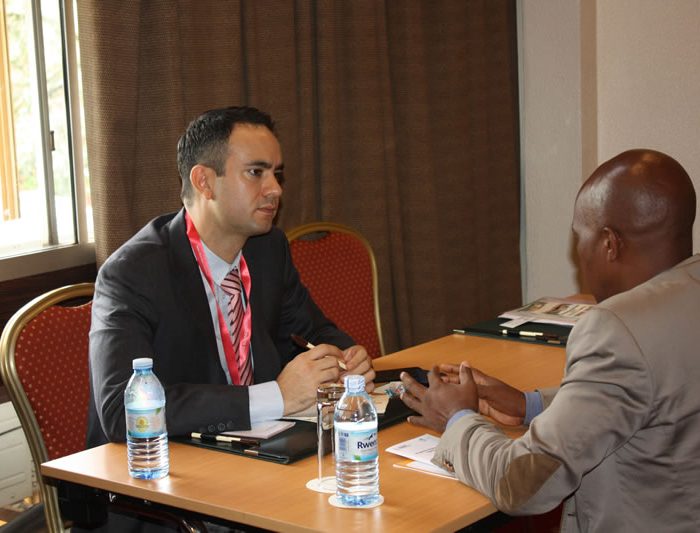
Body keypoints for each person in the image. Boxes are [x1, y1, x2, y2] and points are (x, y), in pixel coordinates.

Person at [399, 149, 700, 532]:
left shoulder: (618, 329)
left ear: (609, 243)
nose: (578, 254)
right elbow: (653, 392)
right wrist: (530, 405)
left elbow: (523, 484)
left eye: (580, 237)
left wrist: (457, 418)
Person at [87, 106, 375, 448]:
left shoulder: (268, 249)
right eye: (256, 172)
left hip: (257, 449)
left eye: (277, 174)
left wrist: (347, 358)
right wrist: (277, 396)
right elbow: (121, 410)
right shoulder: (132, 273)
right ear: (204, 182)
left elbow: (311, 331)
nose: (275, 189)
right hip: (160, 463)